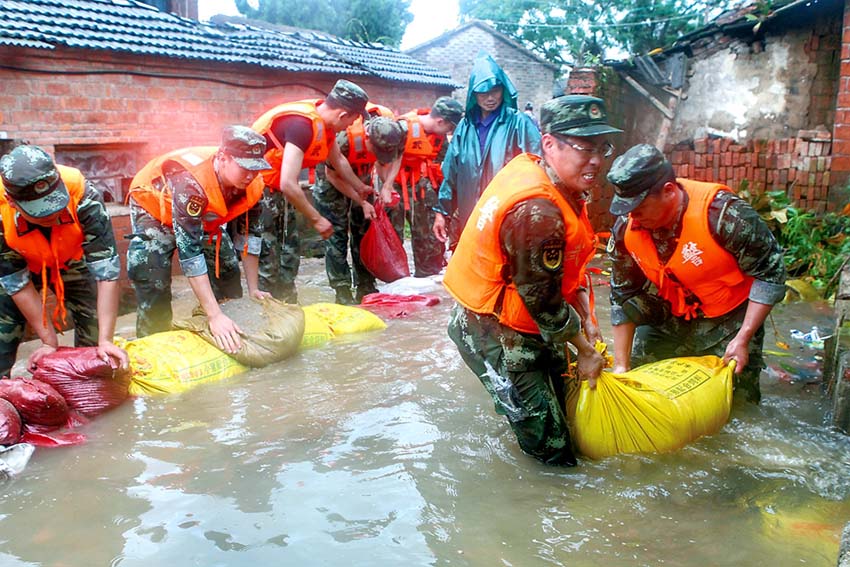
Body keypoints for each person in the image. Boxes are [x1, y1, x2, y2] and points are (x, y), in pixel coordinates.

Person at [443, 95, 622, 466]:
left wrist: (588, 319)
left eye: (602, 147)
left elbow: (571, 265)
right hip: (491, 329)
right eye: (583, 147)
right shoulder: (537, 211)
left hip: (531, 316)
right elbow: (543, 302)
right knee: (553, 451)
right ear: (549, 144)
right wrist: (586, 352)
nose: (596, 160)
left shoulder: (558, 184)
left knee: (565, 402)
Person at [606, 143, 788, 403]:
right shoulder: (627, 226)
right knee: (640, 390)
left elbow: (771, 273)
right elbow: (621, 294)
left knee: (736, 405)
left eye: (638, 208)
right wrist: (621, 366)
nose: (632, 218)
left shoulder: (726, 216)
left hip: (728, 321)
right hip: (667, 314)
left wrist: (743, 337)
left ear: (669, 192)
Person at [126, 125, 272, 354]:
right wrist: (214, 315)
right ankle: (153, 347)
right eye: (245, 167)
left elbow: (248, 238)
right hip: (154, 207)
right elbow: (190, 253)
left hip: (201, 216)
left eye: (256, 168)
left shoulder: (253, 184)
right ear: (223, 158)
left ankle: (227, 331)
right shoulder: (190, 183)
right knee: (153, 276)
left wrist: (254, 289)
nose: (251, 175)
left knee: (227, 270)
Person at [0, 145, 128, 376]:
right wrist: (49, 341)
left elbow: (106, 272)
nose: (52, 215)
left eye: (56, 205)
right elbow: (17, 284)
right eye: (41, 212)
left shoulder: (82, 193)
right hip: (23, 261)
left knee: (94, 335)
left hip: (72, 258)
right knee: (3, 327)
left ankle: (83, 378)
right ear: (11, 200)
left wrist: (106, 340)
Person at [250, 79, 375, 303]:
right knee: (269, 255)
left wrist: (360, 187)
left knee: (289, 252)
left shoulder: (324, 126)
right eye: (352, 120)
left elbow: (338, 160)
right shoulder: (302, 126)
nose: (349, 127)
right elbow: (289, 183)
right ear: (342, 115)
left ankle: (287, 303)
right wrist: (317, 219)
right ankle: (266, 313)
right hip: (261, 192)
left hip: (279, 192)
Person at [433, 51, 541, 250]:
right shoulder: (464, 129)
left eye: (495, 90)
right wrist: (442, 212)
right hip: (471, 216)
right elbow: (450, 175)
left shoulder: (518, 123)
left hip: (508, 215)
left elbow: (537, 169)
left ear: (503, 89)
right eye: (483, 92)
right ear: (474, 95)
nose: (490, 98)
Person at [313, 111, 406, 304]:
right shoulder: (344, 139)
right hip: (332, 182)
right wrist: (361, 200)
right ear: (368, 138)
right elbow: (333, 176)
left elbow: (397, 158)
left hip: (362, 176)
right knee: (336, 234)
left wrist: (387, 184)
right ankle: (342, 290)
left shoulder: (396, 133)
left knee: (364, 230)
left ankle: (365, 285)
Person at [387, 96, 464, 277]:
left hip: (421, 188)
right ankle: (395, 280)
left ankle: (427, 275)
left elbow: (443, 165)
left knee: (427, 236)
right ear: (440, 121)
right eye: (450, 127)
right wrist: (387, 188)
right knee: (393, 238)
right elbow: (383, 162)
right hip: (395, 188)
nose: (451, 132)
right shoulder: (402, 128)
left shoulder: (440, 137)